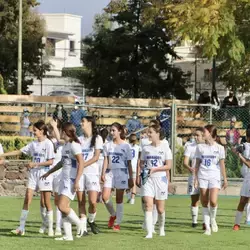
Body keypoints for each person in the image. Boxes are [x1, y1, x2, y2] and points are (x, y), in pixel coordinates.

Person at [0, 120, 55, 236]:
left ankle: (50, 227)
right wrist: (2, 155)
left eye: (35, 130)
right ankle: (21, 228)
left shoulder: (48, 144)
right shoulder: (33, 144)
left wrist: (35, 164)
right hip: (33, 174)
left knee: (46, 202)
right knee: (27, 199)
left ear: (42, 131)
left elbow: (50, 161)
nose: (33, 132)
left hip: (45, 174)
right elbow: (19, 151)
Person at [41, 122, 85, 241]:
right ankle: (68, 235)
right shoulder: (66, 145)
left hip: (71, 180)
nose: (59, 133)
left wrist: (77, 181)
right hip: (63, 179)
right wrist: (49, 172)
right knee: (63, 207)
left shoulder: (74, 145)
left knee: (62, 206)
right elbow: (62, 163)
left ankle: (80, 224)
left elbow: (81, 163)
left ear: (65, 132)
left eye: (60, 131)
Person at [138, 124, 172, 238]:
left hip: (160, 179)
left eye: (151, 132)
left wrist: (156, 169)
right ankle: (149, 232)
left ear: (157, 133)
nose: (148, 134)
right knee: (148, 204)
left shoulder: (165, 148)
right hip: (148, 179)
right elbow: (141, 163)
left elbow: (168, 166)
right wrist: (141, 173)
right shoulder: (146, 148)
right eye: (148, 132)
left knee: (160, 209)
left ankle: (161, 228)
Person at [194, 124, 228, 236]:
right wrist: (195, 179)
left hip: (214, 176)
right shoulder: (200, 147)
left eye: (205, 131)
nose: (203, 133)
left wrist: (225, 179)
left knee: (213, 201)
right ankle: (207, 228)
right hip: (202, 176)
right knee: (204, 202)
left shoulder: (219, 148)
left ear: (211, 133)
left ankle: (213, 219)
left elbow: (222, 165)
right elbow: (197, 164)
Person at [101, 122, 134, 231]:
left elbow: (129, 163)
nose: (111, 132)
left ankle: (118, 223)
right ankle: (113, 214)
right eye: (110, 130)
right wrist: (102, 173)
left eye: (113, 130)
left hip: (122, 172)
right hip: (110, 172)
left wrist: (131, 178)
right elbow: (106, 160)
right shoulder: (107, 145)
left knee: (119, 199)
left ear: (119, 131)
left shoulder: (126, 146)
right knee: (105, 197)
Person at [77, 116, 103, 235]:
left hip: (92, 173)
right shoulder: (79, 139)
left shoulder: (97, 138)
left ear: (90, 123)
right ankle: (83, 229)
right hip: (80, 173)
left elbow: (96, 157)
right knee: (81, 201)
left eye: (83, 121)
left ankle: (91, 220)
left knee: (93, 202)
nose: (81, 123)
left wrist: (83, 164)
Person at [39, 120, 64, 236]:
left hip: (59, 173)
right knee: (43, 201)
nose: (51, 130)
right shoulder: (47, 141)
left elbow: (59, 140)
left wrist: (55, 127)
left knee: (58, 201)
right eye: (50, 128)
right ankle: (45, 223)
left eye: (54, 128)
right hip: (47, 172)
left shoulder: (63, 141)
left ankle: (58, 227)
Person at [183, 128, 205, 228]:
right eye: (194, 135)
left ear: (203, 136)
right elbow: (185, 162)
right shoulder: (190, 147)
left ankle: (206, 221)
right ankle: (194, 221)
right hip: (193, 176)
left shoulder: (207, 146)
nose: (196, 137)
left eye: (198, 135)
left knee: (205, 199)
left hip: (205, 176)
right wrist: (190, 168)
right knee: (194, 199)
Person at [233, 129, 250, 230]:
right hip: (248, 177)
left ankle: (248, 219)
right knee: (243, 200)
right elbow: (236, 148)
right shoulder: (246, 146)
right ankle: (236, 224)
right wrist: (236, 149)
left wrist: (240, 156)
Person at [127, 133, 140, 205]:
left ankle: (129, 196)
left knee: (127, 183)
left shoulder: (127, 146)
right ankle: (132, 199)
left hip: (128, 166)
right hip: (135, 166)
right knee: (134, 183)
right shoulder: (138, 147)